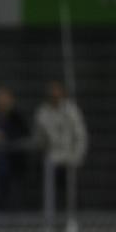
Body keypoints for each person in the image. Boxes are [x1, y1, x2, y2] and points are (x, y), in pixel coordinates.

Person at [34, 81, 88, 211]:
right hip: (51, 159)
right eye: (52, 94)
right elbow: (39, 138)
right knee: (51, 192)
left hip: (70, 157)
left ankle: (73, 217)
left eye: (57, 93)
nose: (55, 96)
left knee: (71, 193)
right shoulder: (42, 112)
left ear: (62, 94)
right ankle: (51, 216)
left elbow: (80, 135)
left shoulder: (71, 110)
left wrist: (77, 156)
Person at [0, 87, 29, 210]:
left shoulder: (17, 118)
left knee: (14, 199)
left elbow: (23, 133)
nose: (2, 102)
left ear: (11, 101)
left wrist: (4, 135)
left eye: (4, 99)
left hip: (14, 164)